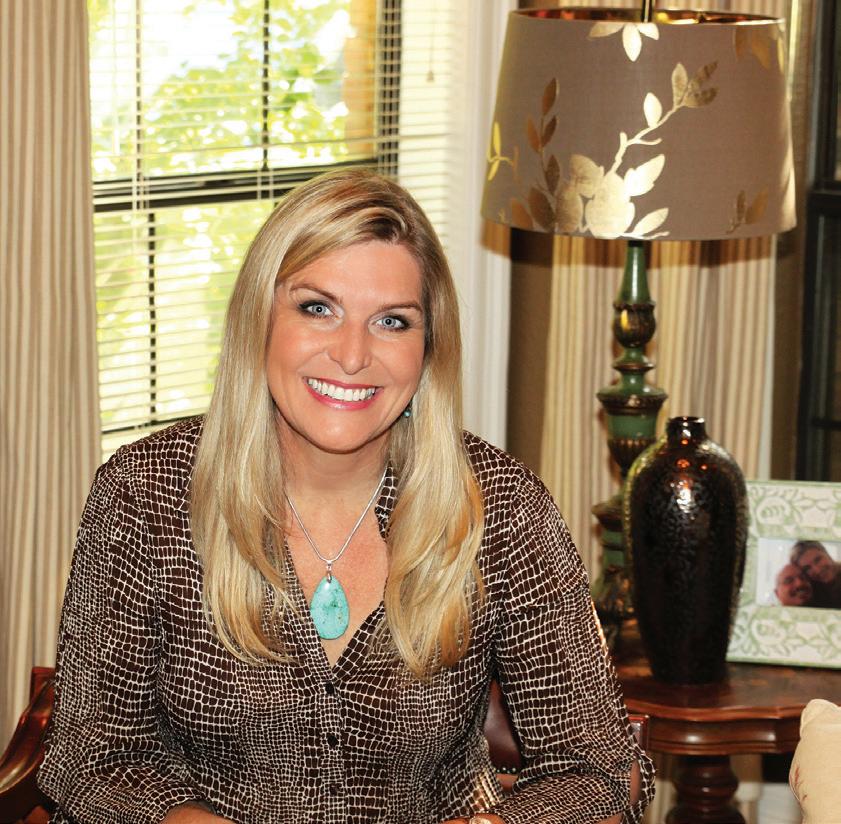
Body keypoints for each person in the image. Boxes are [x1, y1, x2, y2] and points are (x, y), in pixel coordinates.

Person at [38, 170, 654, 824]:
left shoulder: (500, 505)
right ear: (258, 319)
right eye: (317, 308)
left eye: (391, 321)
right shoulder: (146, 492)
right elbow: (86, 757)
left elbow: (602, 770)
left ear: (428, 349)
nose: (353, 355)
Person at [791, 540, 841, 609]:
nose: (817, 570)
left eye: (818, 560)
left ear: (827, 554)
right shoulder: (811, 592)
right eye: (807, 568)